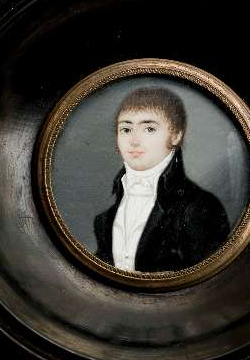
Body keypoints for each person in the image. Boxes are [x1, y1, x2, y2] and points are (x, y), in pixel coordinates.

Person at [94, 87, 230, 272]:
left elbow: (209, 280)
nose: (134, 140)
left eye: (149, 129)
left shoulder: (199, 207)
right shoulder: (105, 220)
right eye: (126, 129)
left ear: (176, 135)